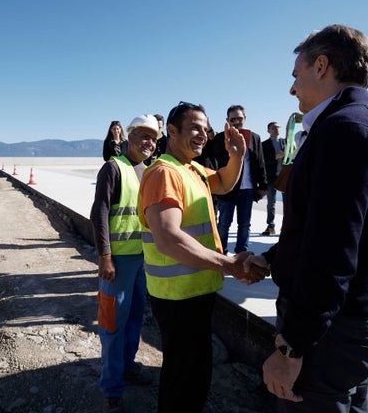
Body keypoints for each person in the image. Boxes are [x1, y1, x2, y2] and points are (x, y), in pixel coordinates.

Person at [246, 24, 368, 412]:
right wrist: (272, 259)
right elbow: (334, 227)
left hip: (333, 332)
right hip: (346, 325)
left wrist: (291, 346)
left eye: (296, 76)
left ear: (321, 66)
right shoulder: (364, 122)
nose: (292, 89)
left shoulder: (347, 130)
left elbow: (332, 253)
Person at [137, 101, 264, 412]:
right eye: (195, 127)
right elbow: (168, 239)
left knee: (193, 373)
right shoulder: (164, 173)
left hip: (196, 290)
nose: (203, 134)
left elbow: (223, 182)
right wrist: (229, 265)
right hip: (177, 297)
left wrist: (237, 156)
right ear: (172, 131)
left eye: (206, 129)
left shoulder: (191, 168)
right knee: (185, 378)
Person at [90, 114, 160, 413]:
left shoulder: (152, 171)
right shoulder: (114, 168)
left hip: (144, 259)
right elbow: (100, 213)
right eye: (143, 136)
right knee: (112, 324)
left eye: (153, 138)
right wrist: (104, 256)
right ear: (129, 137)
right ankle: (112, 389)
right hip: (118, 262)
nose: (148, 142)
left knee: (134, 319)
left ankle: (127, 367)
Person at [209, 105, 267, 253]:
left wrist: (263, 185)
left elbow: (260, 162)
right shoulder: (221, 138)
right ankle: (221, 252)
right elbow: (214, 158)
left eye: (239, 118)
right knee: (224, 223)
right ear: (227, 120)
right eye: (232, 119)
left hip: (247, 188)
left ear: (245, 118)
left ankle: (242, 253)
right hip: (227, 187)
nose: (236, 122)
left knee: (245, 224)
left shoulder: (254, 137)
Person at [261, 121, 285, 236]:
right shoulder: (264, 144)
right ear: (268, 130)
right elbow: (262, 161)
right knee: (271, 203)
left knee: (288, 203)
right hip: (271, 177)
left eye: (278, 127)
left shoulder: (285, 142)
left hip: (284, 177)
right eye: (273, 128)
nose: (276, 129)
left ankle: (286, 225)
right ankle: (271, 226)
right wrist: (276, 157)